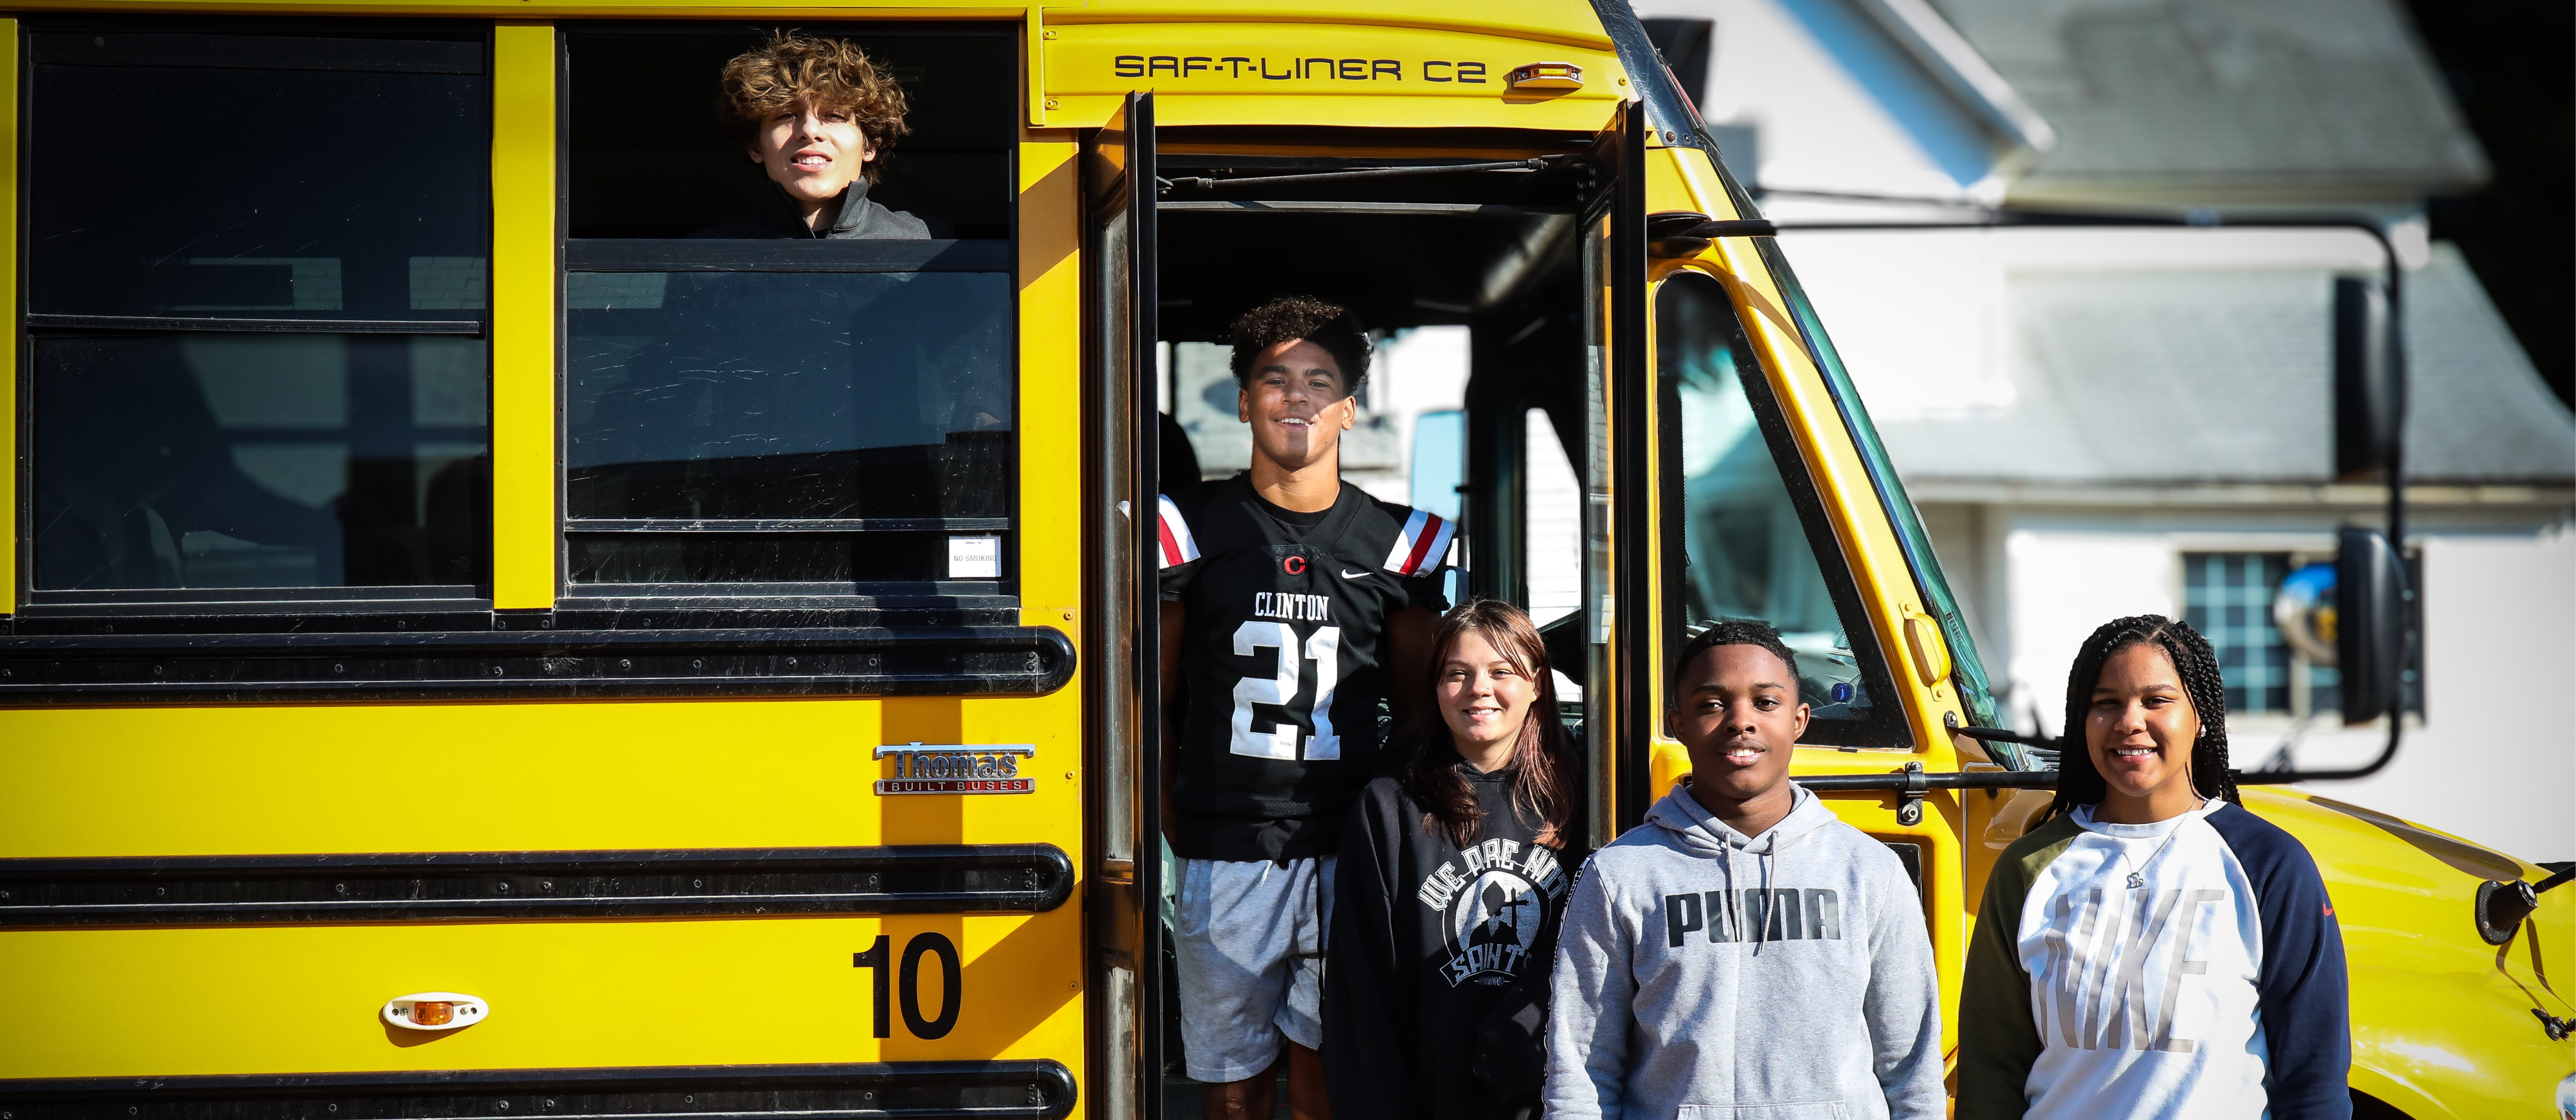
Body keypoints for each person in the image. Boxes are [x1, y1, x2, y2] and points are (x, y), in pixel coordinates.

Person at [1158, 295, 1452, 1120]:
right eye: (1275, 379)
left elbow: (1417, 716)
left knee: (1329, 1079)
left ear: (1350, 409)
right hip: (1226, 841)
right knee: (1235, 1090)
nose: (1297, 397)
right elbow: (1154, 699)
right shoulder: (1189, 526)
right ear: (1244, 398)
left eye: (1320, 381)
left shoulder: (1399, 541)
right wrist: (1174, 823)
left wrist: (1397, 835)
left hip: (1348, 841)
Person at [1544, 620, 1945, 1120]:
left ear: (1799, 720)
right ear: (1679, 723)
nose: (1740, 721)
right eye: (1712, 704)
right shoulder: (1619, 876)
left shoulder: (1870, 871)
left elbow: (1911, 1068)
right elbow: (1583, 1068)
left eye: (1765, 702)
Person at [1957, 616, 2350, 1120]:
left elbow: (2314, 1080)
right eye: (2106, 704)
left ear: (2201, 716)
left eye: (2156, 700)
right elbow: (1992, 1075)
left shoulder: (2269, 864)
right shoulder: (2029, 869)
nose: (2129, 721)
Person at [1322, 599, 1583, 1120]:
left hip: (1553, 1100)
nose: (1478, 689)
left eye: (1501, 671)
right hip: (1430, 1099)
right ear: (1435, 689)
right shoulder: (1390, 806)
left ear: (1537, 684)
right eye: (1456, 674)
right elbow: (1364, 990)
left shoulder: (1588, 799)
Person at [701, 31, 930, 239]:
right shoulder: (708, 254)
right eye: (787, 115)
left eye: (834, 116)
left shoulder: (916, 243)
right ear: (756, 147)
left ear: (869, 145)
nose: (810, 131)